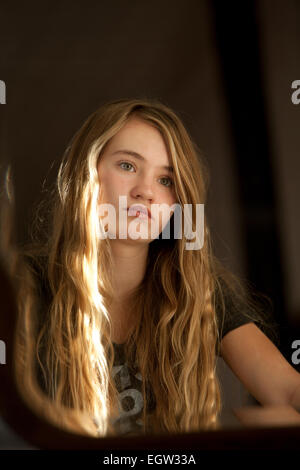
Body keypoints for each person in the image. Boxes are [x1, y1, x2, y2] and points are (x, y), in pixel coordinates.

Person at [15, 98, 300, 438]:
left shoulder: (197, 287)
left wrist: (241, 429)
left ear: (179, 206)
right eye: (127, 166)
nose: (146, 191)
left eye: (166, 180)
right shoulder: (21, 282)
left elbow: (289, 395)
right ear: (84, 174)